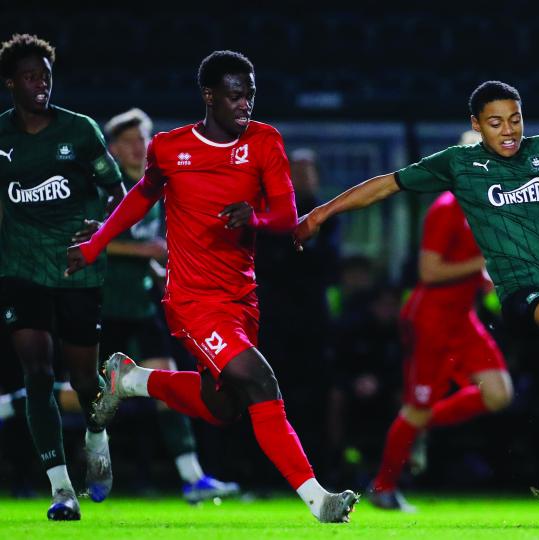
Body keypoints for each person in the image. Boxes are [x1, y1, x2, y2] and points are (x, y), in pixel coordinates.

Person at [295, 80, 539, 525]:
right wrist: (318, 214)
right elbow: (386, 186)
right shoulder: (458, 168)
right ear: (475, 126)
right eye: (495, 123)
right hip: (521, 297)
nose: (508, 131)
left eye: (515, 119)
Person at [66, 50, 357, 523]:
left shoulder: (265, 142)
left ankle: (134, 380)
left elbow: (285, 216)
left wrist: (255, 217)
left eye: (251, 95)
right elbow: (141, 197)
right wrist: (97, 244)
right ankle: (319, 500)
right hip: (191, 300)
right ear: (209, 96)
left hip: (242, 297)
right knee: (261, 381)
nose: (246, 104)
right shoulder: (170, 147)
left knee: (224, 406)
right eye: (236, 95)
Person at [0, 33, 126, 520]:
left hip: (77, 267)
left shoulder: (80, 130)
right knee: (36, 372)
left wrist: (102, 228)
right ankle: (61, 490)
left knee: (83, 380)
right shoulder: (2, 135)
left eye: (46, 77)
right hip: (21, 266)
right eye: (31, 77)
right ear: (10, 82)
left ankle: (97, 434)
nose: (41, 85)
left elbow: (119, 195)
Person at [101, 107, 241, 502]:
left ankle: (192, 477)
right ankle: (20, 404)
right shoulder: (105, 190)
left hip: (142, 305)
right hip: (105, 303)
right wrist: (144, 249)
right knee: (89, 393)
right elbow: (93, 243)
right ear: (113, 148)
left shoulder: (157, 189)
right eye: (128, 141)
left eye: (142, 139)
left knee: (167, 383)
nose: (137, 147)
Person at [368, 132, 514, 510]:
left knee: (498, 394)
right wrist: (482, 265)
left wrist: (486, 283)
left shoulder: (489, 212)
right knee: (414, 407)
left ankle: (419, 427)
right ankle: (383, 488)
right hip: (429, 318)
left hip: (461, 319)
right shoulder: (448, 208)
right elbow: (429, 270)